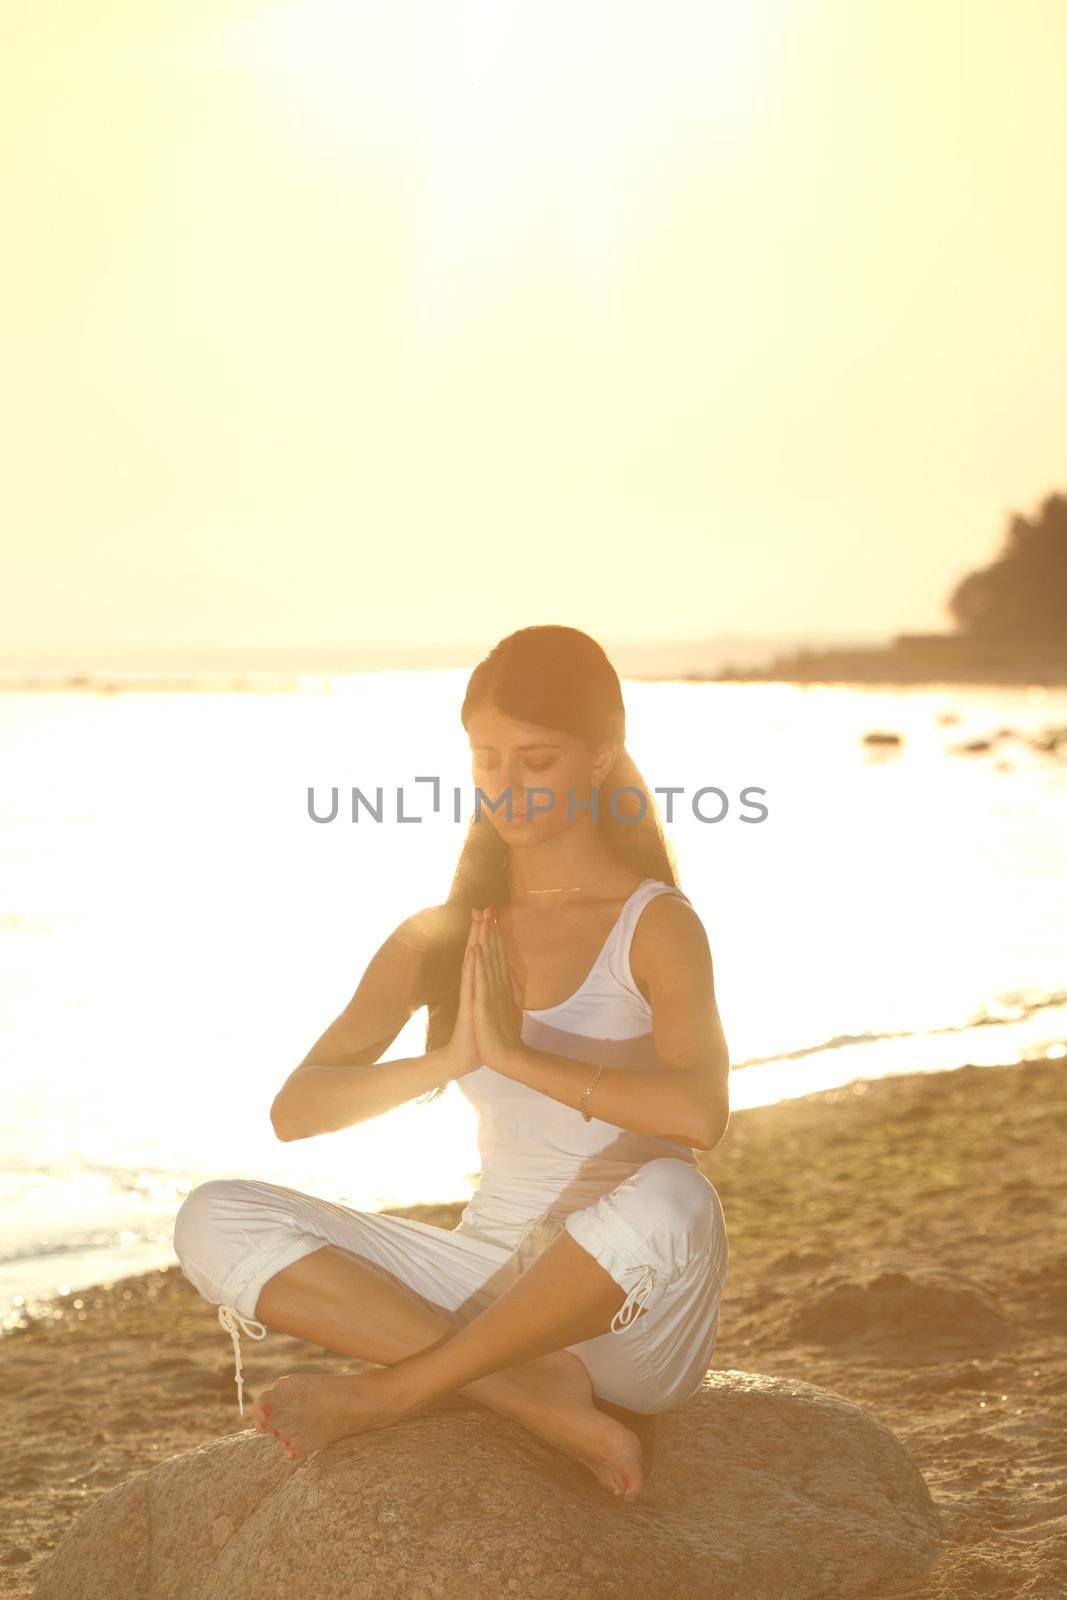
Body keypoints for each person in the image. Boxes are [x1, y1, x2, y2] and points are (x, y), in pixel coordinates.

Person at [172, 624, 730, 1503]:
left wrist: (514, 1055)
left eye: (535, 761)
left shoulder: (654, 924)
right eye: (486, 758)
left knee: (677, 1194)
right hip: (486, 1280)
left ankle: (400, 1390)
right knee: (212, 1217)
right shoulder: (441, 933)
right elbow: (297, 1111)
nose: (505, 788)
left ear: (600, 757)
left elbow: (699, 1117)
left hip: (626, 1315)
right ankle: (522, 1390)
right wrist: (450, 1058)